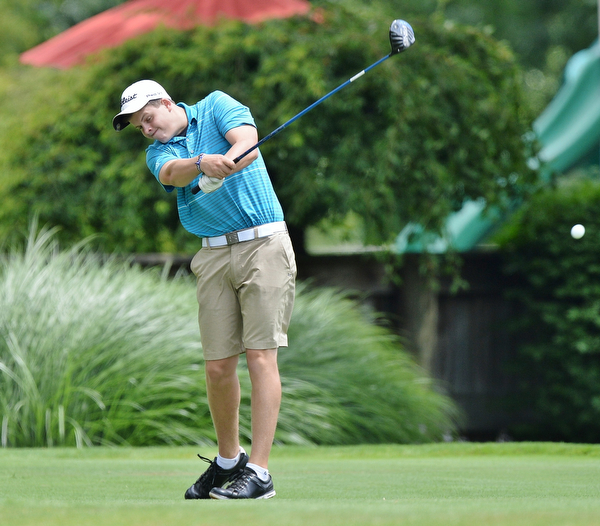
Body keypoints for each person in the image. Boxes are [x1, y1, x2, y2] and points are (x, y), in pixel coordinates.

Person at [113, 80, 296, 500]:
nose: (147, 129)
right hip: (212, 255)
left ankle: (261, 473)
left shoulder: (215, 106)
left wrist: (226, 161)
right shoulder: (160, 151)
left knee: (260, 356)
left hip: (263, 244)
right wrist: (202, 164)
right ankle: (230, 461)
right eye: (140, 126)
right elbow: (170, 172)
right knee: (217, 367)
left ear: (164, 102)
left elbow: (246, 139)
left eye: (148, 118)